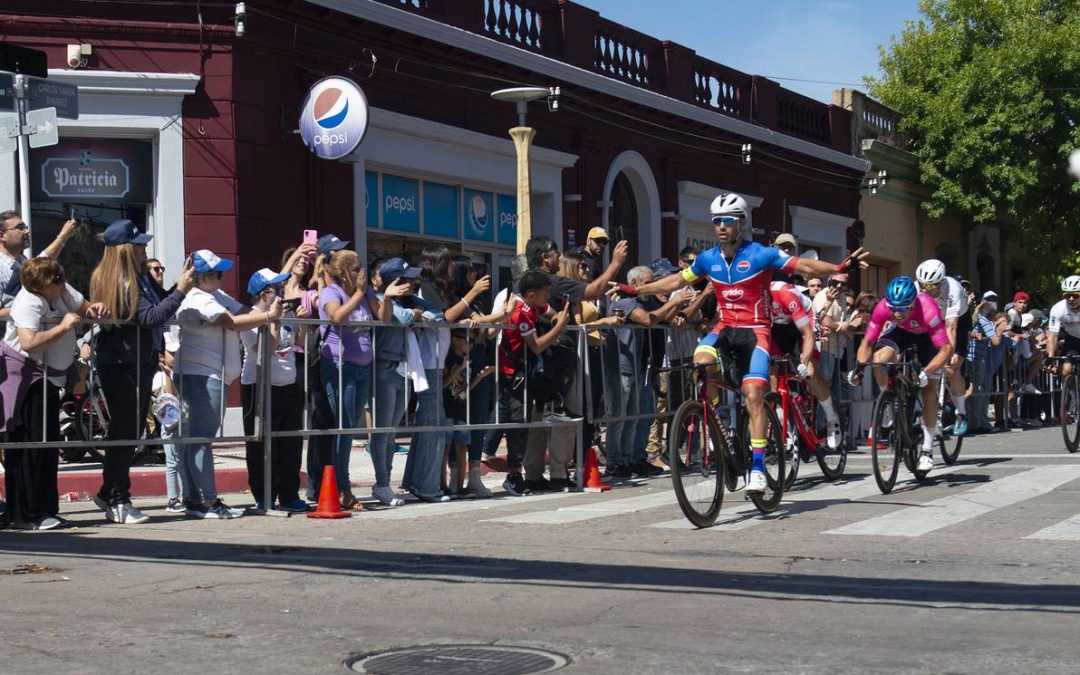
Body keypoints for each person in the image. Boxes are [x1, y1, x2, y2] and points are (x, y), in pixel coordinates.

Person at [628, 192, 867, 494]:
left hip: (756, 332)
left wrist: (838, 268)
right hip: (725, 329)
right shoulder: (708, 259)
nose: (722, 226)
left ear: (740, 222)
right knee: (700, 363)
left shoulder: (760, 254)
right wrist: (636, 290)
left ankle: (757, 468)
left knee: (753, 394)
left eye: (728, 220)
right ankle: (716, 428)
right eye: (717, 221)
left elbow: (803, 265)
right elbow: (676, 282)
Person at [89, 219, 193, 524]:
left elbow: (160, 303)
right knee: (125, 430)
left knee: (129, 430)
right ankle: (118, 498)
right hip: (122, 364)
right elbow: (152, 317)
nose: (145, 248)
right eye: (140, 244)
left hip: (137, 360)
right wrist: (182, 291)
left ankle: (109, 492)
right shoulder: (122, 281)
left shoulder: (139, 276)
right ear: (126, 249)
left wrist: (180, 285)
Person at [174, 249, 282, 519]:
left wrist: (266, 310)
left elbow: (243, 312)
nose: (222, 277)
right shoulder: (198, 297)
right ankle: (207, 501)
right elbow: (233, 322)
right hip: (201, 375)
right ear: (203, 277)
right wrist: (268, 317)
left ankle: (194, 499)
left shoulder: (214, 294)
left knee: (194, 440)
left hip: (209, 374)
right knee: (200, 440)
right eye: (217, 273)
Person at [2, 258, 106, 529]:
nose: (63, 280)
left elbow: (84, 307)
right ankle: (26, 514)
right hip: (28, 380)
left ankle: (46, 508)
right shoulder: (28, 302)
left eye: (62, 276)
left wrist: (95, 308)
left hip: (52, 379)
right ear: (42, 284)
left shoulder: (61, 292)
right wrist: (63, 327)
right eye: (57, 278)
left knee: (48, 446)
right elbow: (28, 342)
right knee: (31, 446)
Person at [848, 276, 954, 473]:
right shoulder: (883, 308)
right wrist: (859, 369)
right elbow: (867, 343)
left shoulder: (928, 309)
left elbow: (946, 349)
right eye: (893, 307)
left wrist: (927, 372)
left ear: (913, 303)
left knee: (929, 389)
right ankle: (887, 397)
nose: (897, 313)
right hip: (903, 333)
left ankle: (928, 450)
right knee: (879, 360)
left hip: (927, 338)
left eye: (903, 308)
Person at [604, 266, 689, 478]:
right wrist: (674, 302)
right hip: (621, 366)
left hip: (638, 365)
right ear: (636, 285)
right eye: (648, 283)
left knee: (636, 416)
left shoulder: (641, 302)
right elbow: (647, 320)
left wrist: (676, 309)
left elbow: (660, 317)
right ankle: (615, 461)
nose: (652, 287)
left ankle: (632, 458)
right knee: (619, 416)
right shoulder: (625, 302)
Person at [369, 258, 440, 505]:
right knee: (383, 430)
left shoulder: (411, 300)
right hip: (384, 369)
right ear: (395, 282)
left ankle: (385, 482)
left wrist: (420, 315)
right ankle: (381, 483)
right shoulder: (379, 298)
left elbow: (437, 313)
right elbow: (399, 318)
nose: (413, 283)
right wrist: (415, 315)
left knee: (392, 431)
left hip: (403, 369)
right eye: (407, 279)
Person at [240, 268, 309, 513]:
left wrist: (301, 323)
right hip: (259, 386)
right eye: (276, 289)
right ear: (264, 293)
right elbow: (265, 352)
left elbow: (299, 344)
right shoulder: (252, 318)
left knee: (289, 443)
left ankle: (289, 493)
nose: (282, 292)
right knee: (261, 445)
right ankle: (264, 495)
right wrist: (273, 320)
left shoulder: (283, 314)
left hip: (288, 385)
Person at [498, 270, 570, 495]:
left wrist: (558, 318)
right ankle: (513, 475)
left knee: (527, 422)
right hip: (513, 374)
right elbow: (536, 345)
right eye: (545, 293)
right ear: (530, 294)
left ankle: (522, 474)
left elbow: (552, 312)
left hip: (527, 372)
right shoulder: (521, 313)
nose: (548, 297)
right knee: (517, 425)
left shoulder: (532, 305)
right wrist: (558, 328)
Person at [317, 247, 378, 511]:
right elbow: (337, 316)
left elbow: (383, 316)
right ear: (343, 273)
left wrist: (377, 294)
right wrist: (360, 293)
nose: (360, 273)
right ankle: (342, 488)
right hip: (340, 366)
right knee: (343, 429)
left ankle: (342, 487)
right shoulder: (333, 292)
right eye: (356, 269)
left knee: (349, 428)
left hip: (363, 367)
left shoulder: (363, 294)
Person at [770, 279, 842, 448]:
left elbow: (807, 335)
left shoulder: (785, 294)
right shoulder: (754, 298)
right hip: (779, 325)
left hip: (805, 319)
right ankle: (780, 423)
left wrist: (804, 361)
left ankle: (832, 419)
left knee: (810, 371)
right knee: (771, 371)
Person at [915, 259, 971, 435]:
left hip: (958, 321)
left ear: (940, 282)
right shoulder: (918, 287)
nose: (926, 290)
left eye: (931, 287)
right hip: (934, 319)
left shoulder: (953, 288)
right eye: (923, 285)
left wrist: (950, 353)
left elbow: (951, 327)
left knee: (951, 368)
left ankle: (961, 412)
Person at [0, 211, 79, 315]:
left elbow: (43, 262)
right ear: (2, 236)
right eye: (20, 228)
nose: (26, 231)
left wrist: (64, 236)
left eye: (26, 227)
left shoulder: (23, 261)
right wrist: (31, 308)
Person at [1047, 275, 1080, 377]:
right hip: (1072, 339)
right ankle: (1069, 392)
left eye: (1075, 295)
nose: (1070, 298)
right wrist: (1050, 358)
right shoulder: (1058, 308)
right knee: (1065, 370)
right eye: (1067, 295)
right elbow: (1052, 336)